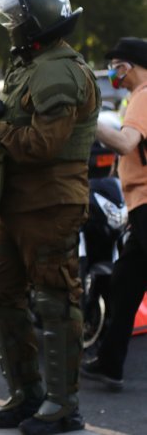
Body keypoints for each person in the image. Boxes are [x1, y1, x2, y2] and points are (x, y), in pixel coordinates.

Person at [0, 0, 97, 434]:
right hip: (14, 203)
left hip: (50, 204)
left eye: (16, 17)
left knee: (55, 301)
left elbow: (43, 144)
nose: (10, 25)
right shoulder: (29, 66)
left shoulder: (58, 70)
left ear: (34, 22)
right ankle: (27, 393)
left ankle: (62, 405)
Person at [81, 37, 147, 391]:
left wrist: (86, 123)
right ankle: (110, 363)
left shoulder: (143, 96)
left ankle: (110, 362)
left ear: (131, 66)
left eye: (117, 66)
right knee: (125, 283)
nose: (114, 73)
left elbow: (125, 143)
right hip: (140, 206)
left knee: (127, 281)